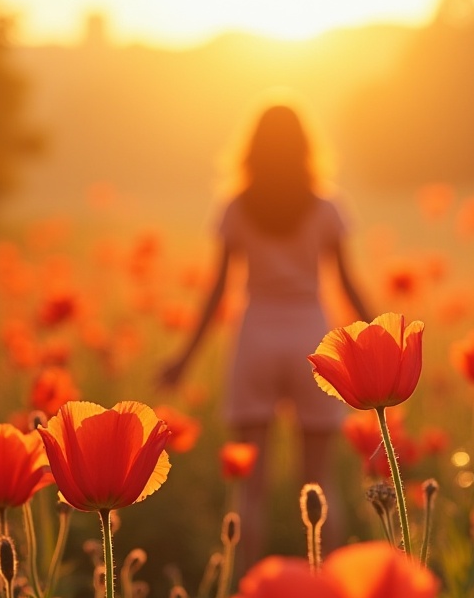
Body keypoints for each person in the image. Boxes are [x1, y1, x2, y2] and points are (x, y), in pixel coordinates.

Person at [158, 100, 371, 560]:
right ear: (305, 149)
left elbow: (216, 291)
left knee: (249, 491)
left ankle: (250, 595)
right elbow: (349, 283)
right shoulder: (326, 207)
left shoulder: (236, 207)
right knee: (320, 482)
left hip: (255, 337)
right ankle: (330, 597)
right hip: (312, 339)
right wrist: (383, 341)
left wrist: (183, 359)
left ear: (251, 150)